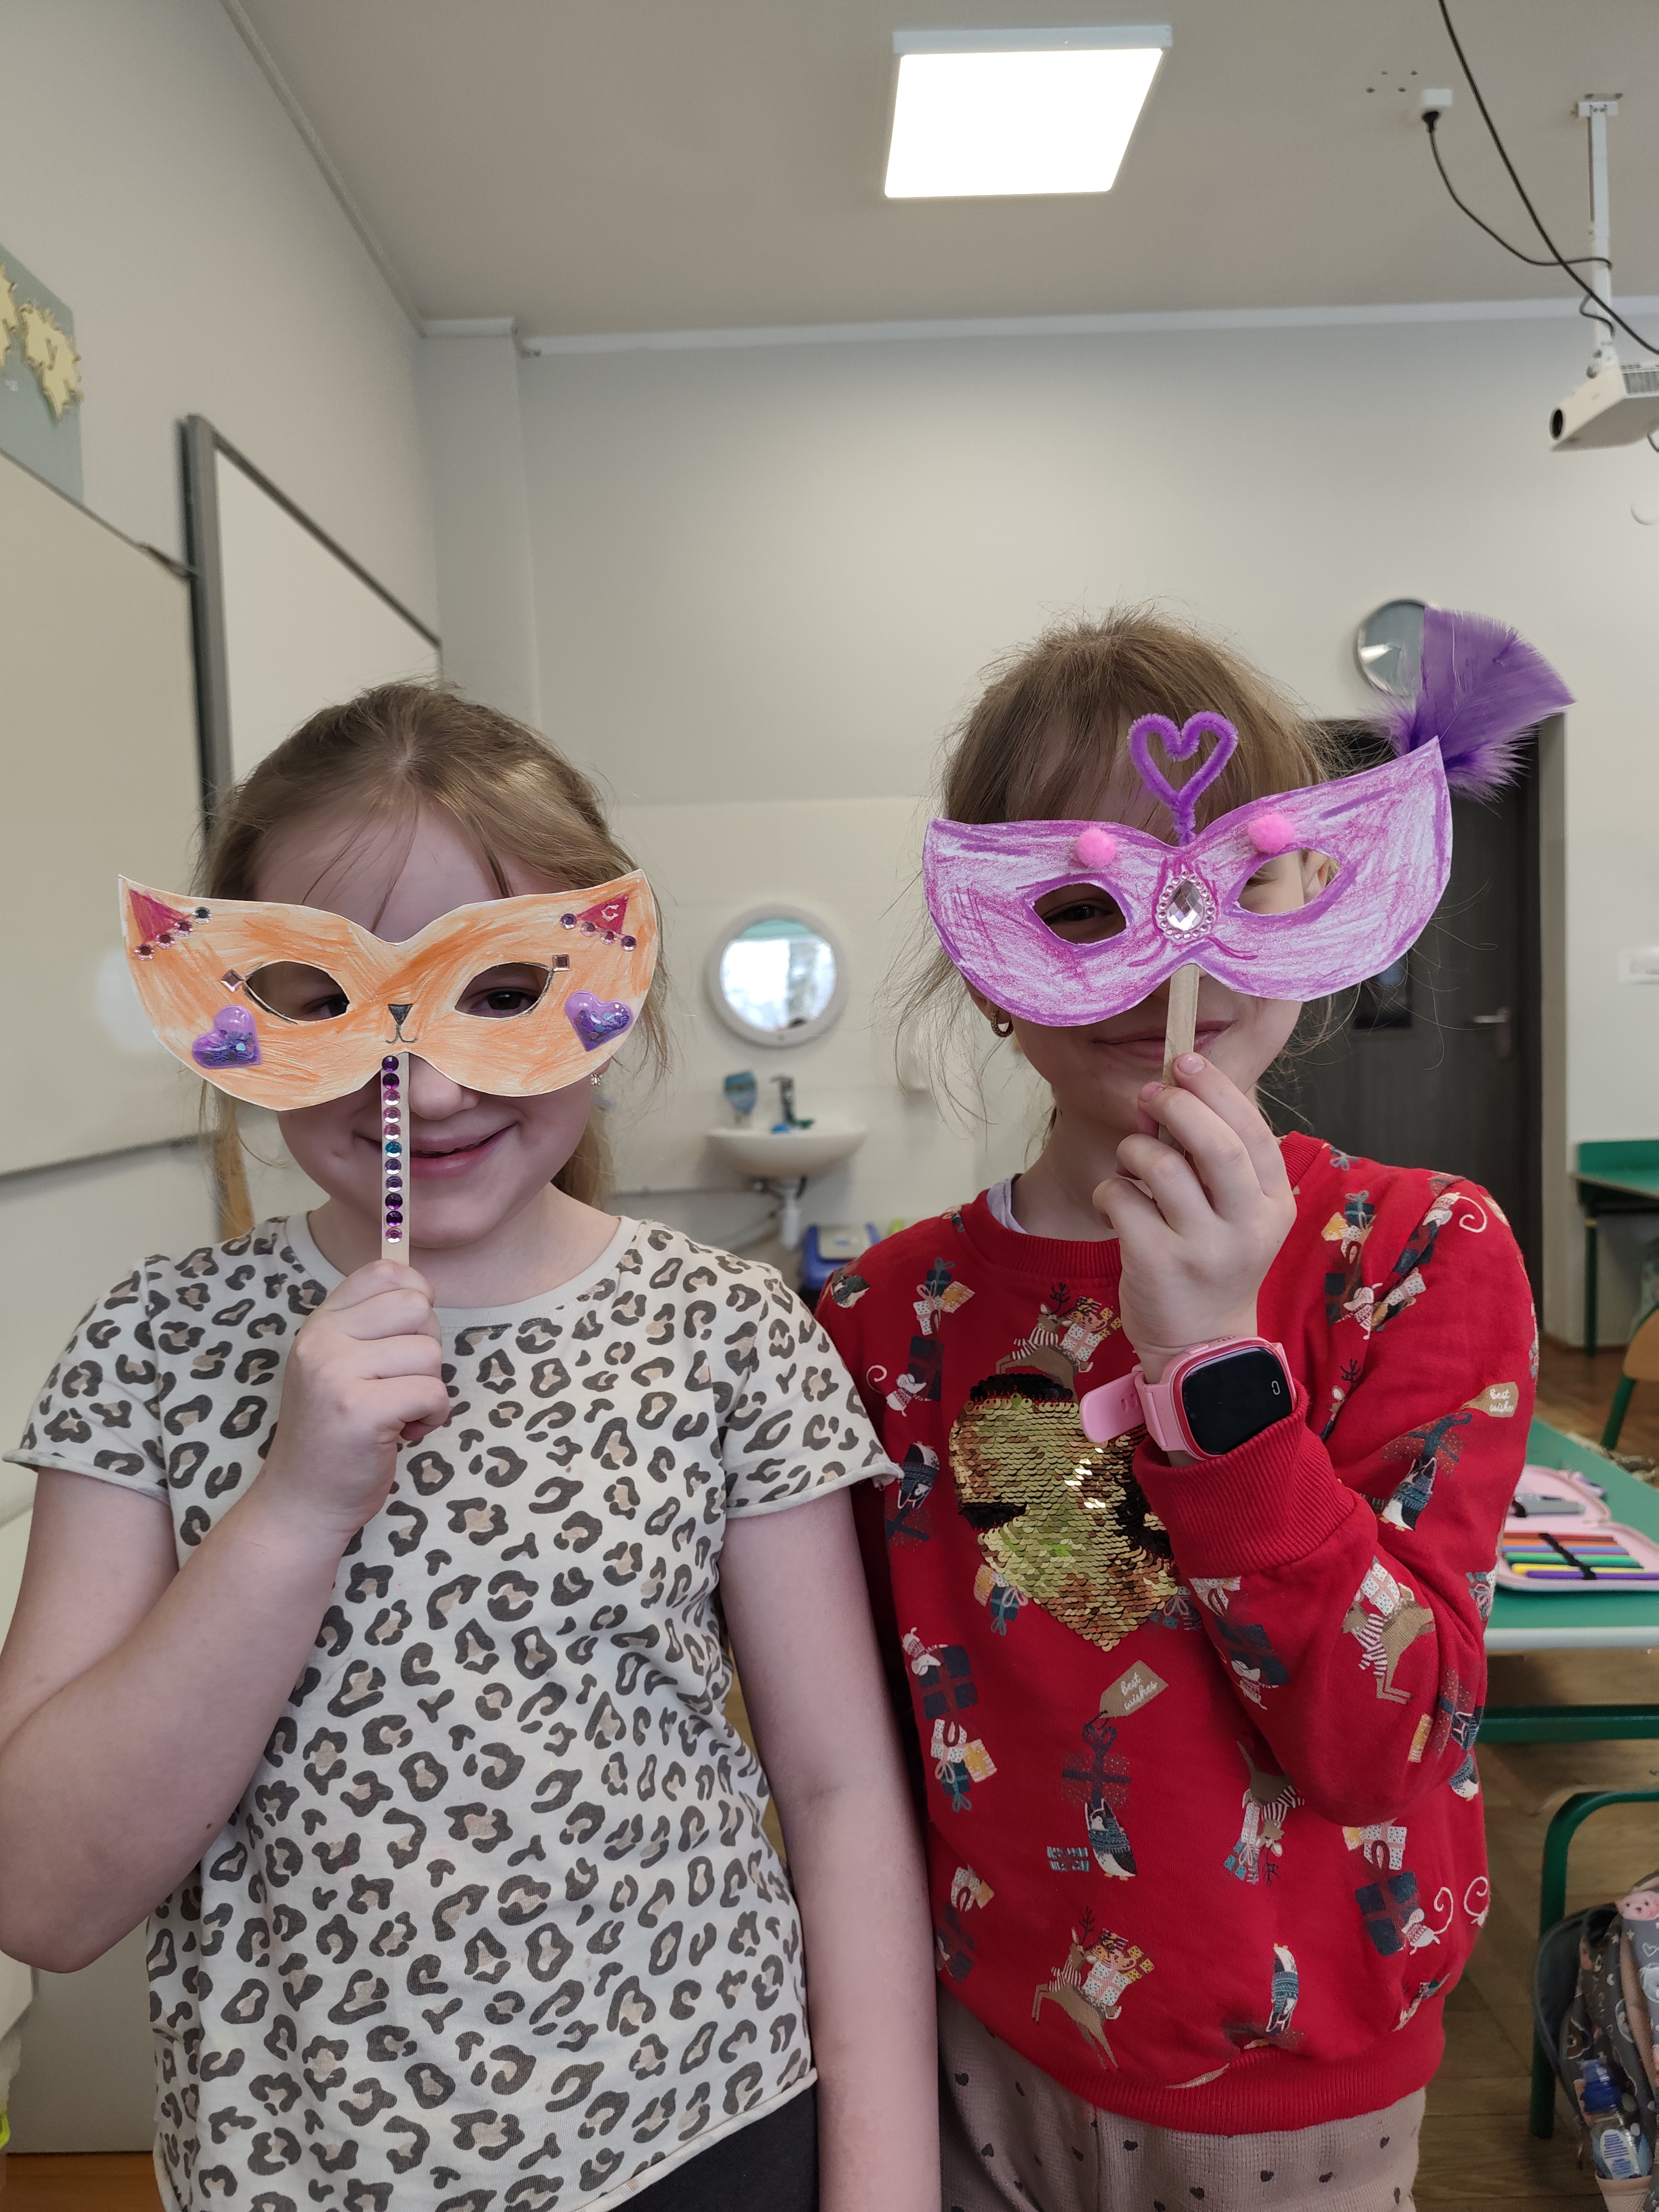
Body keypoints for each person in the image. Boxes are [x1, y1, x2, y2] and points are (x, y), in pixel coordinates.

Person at [0, 685, 936, 2212]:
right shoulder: (154, 1347)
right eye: (321, 1001)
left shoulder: (728, 1333)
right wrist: (292, 1508)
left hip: (697, 2143)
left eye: (503, 991)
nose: (426, 1090)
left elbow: (836, 1794)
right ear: (234, 1012)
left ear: (614, 980)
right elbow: (41, 1896)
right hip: (293, 2176)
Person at [816, 610, 1536, 2211]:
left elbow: (1384, 1743)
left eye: (1237, 885)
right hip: (976, 2038)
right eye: (1083, 907)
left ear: (1318, 908)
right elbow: (851, 1746)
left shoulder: (1417, 1255)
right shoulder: (879, 1320)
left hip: (1297, 2074)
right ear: (982, 960)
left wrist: (1214, 1364)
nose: (1169, 964)